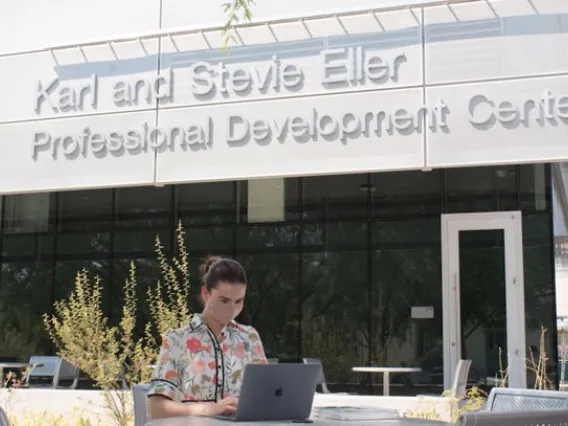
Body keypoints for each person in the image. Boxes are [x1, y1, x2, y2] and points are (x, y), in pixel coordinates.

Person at [147, 256, 268, 419]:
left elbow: (268, 396)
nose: (232, 309)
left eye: (239, 301)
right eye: (224, 300)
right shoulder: (177, 340)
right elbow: (156, 408)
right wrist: (206, 409)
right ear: (206, 293)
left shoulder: (250, 337)